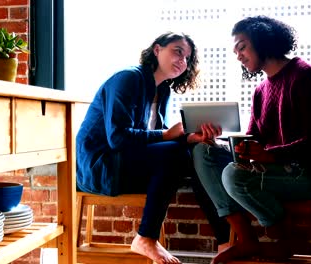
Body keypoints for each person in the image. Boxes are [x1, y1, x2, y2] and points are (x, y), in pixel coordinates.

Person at [76, 31, 230, 264]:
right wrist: (169, 135)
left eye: (187, 57)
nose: (183, 61)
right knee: (178, 154)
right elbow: (117, 138)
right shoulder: (128, 79)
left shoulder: (162, 90)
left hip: (128, 163)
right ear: (157, 50)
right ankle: (145, 237)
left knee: (197, 152)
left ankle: (224, 241)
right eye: (178, 51)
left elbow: (156, 139)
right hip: (103, 166)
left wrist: (190, 138)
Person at [192, 15, 311, 264]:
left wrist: (270, 154)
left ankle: (282, 238)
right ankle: (247, 239)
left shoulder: (305, 75)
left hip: (307, 173)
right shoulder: (260, 91)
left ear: (262, 39)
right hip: (275, 168)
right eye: (235, 51)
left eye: (242, 47)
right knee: (204, 151)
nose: (239, 56)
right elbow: (257, 139)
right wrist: (228, 143)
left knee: (234, 174)